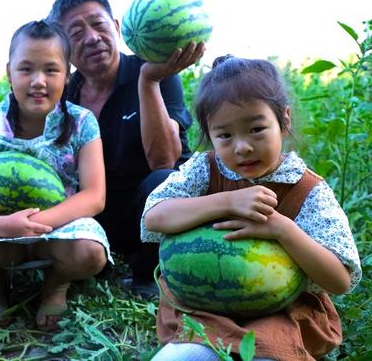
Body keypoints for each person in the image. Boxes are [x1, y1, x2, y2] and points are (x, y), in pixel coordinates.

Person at [141, 55, 362, 360]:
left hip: (284, 312)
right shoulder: (204, 170)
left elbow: (339, 280)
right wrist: (226, 201)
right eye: (225, 135)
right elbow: (155, 216)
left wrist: (282, 229)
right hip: (205, 305)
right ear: (210, 133)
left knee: (266, 353)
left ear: (283, 121)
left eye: (256, 129)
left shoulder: (307, 189)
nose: (242, 147)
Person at [0, 20, 111, 330]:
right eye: (26, 69)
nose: (38, 81)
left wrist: (36, 223)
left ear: (67, 74)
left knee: (90, 254)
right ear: (9, 72)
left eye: (51, 70)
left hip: (58, 229)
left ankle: (56, 283)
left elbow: (94, 195)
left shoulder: (82, 122)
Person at [47, 0, 205, 295]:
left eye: (98, 24)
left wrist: (149, 82)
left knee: (162, 181)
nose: (92, 38)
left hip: (152, 210)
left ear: (117, 27)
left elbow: (164, 161)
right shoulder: (65, 94)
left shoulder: (153, 72)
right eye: (76, 32)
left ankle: (147, 273)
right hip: (98, 210)